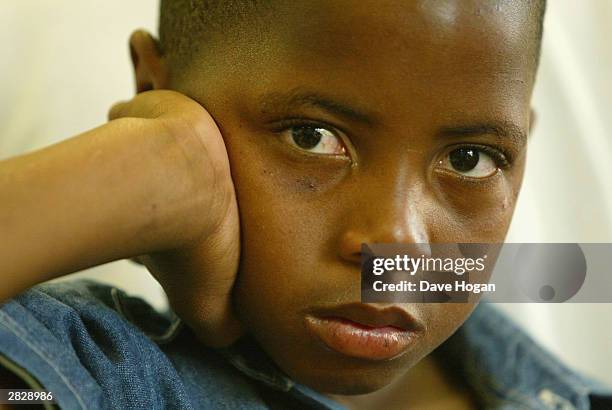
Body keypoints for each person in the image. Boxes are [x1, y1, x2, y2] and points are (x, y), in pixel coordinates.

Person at [0, 0, 610, 408]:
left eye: (471, 158)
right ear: (156, 92)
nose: (396, 242)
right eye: (310, 137)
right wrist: (156, 164)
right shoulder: (97, 383)